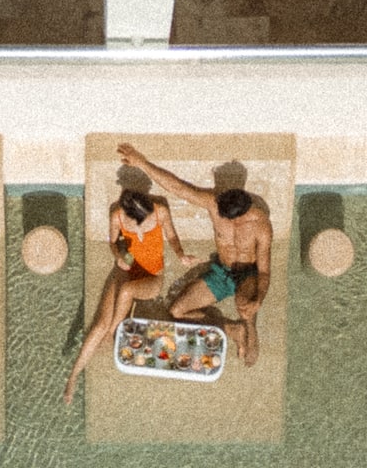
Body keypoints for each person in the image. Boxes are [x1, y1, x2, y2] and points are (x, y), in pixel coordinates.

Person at [115, 143, 272, 368]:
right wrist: (142, 163)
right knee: (177, 312)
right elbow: (179, 188)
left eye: (233, 220)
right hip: (222, 272)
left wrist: (258, 299)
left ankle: (249, 321)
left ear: (245, 213)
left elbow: (264, 271)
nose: (226, 222)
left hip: (247, 275)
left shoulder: (261, 225)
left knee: (245, 309)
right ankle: (232, 329)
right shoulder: (214, 203)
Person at [62, 187, 186, 405]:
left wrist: (180, 254)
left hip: (152, 277)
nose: (144, 221)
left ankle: (112, 333)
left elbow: (172, 236)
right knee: (99, 324)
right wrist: (118, 256)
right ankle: (72, 378)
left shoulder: (160, 211)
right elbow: (112, 241)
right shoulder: (117, 214)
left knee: (126, 294)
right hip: (126, 268)